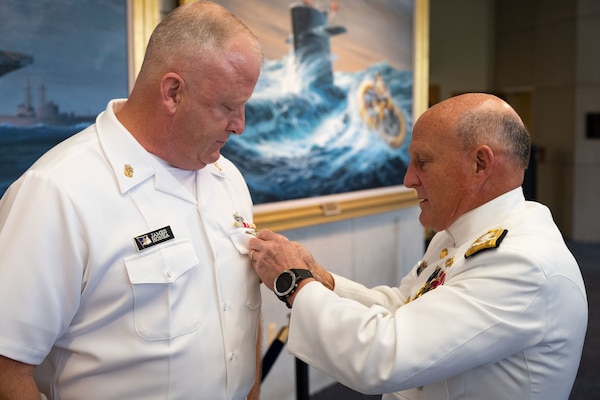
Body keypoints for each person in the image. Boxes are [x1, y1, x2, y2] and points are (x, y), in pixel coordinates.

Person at [0, 2, 264, 399]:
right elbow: (8, 369)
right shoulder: (57, 192)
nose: (240, 126)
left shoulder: (228, 179)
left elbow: (243, 317)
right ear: (173, 93)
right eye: (227, 106)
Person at [248, 93, 588, 399]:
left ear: (479, 165)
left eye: (423, 161)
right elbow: (404, 307)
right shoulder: (458, 234)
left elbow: (383, 357)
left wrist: (293, 281)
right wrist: (323, 281)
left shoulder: (522, 262)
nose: (409, 179)